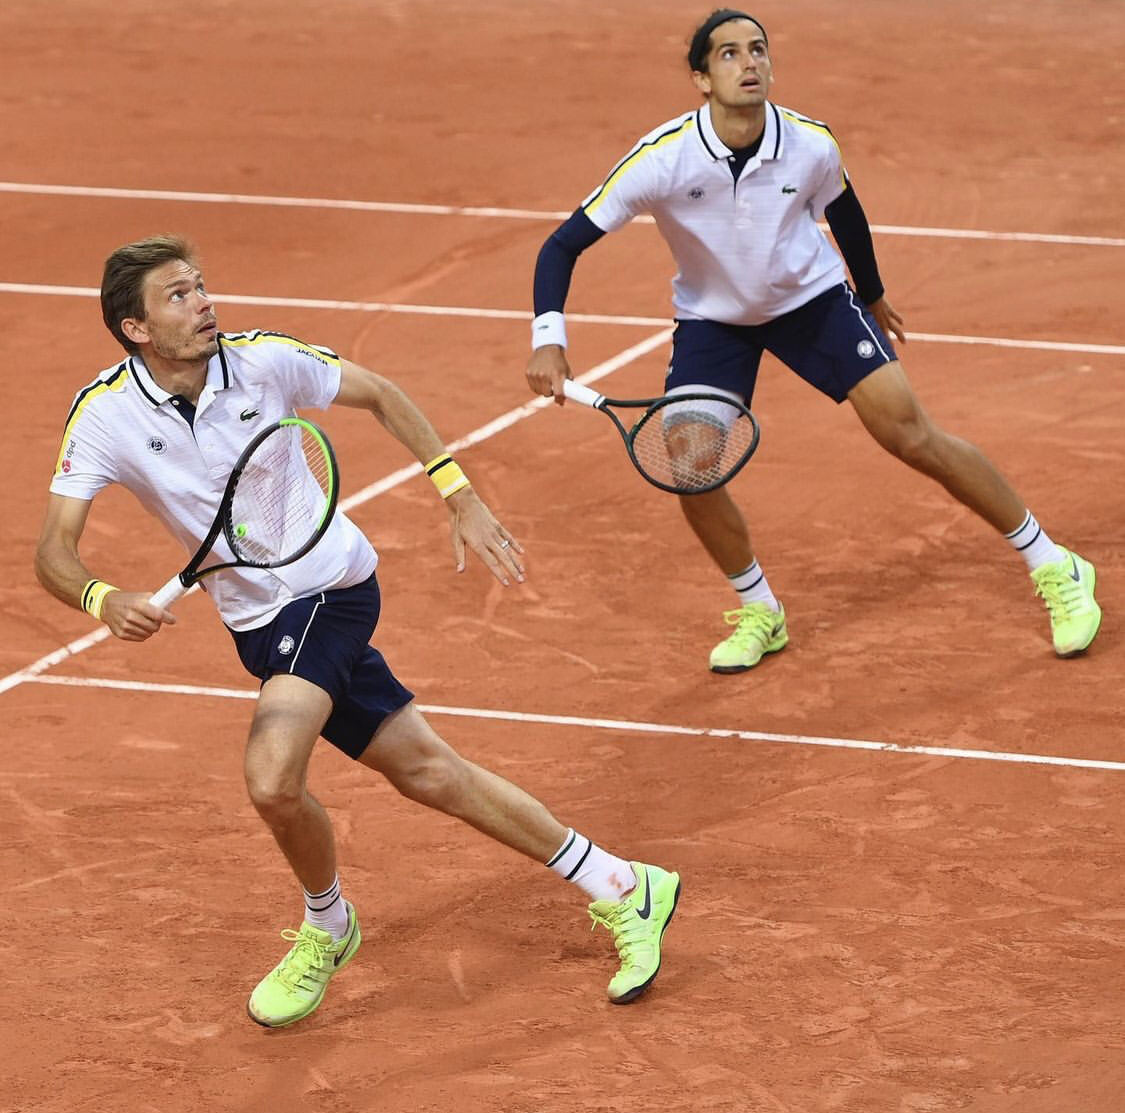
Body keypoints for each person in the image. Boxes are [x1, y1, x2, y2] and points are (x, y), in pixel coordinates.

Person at [35, 235, 681, 1027]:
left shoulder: (265, 360)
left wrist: (458, 493)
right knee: (429, 772)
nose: (204, 302)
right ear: (135, 328)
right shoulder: (104, 414)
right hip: (255, 623)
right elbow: (53, 550)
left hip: (330, 589)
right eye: (178, 295)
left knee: (271, 777)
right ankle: (624, 883)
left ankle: (328, 923)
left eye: (200, 286)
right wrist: (100, 596)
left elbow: (381, 393)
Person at [524, 9, 1101, 673]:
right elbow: (562, 245)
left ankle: (1054, 563)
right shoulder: (662, 158)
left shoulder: (808, 143)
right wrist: (548, 337)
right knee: (691, 470)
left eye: (758, 50)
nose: (749, 63)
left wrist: (872, 294)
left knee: (910, 435)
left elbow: (843, 211)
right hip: (714, 322)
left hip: (811, 304)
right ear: (701, 78)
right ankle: (760, 610)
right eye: (729, 54)